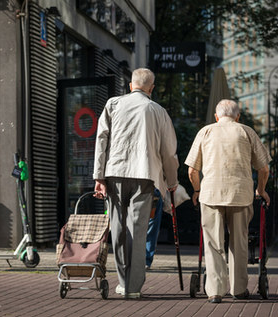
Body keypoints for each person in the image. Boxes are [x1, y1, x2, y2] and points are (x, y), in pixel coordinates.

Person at [93, 68, 179, 299]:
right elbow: (169, 152)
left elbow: (101, 140)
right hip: (145, 175)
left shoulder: (113, 104)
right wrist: (172, 182)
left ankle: (123, 281)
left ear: (131, 85)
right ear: (151, 88)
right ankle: (133, 287)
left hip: (115, 173)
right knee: (138, 231)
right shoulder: (158, 111)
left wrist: (99, 177)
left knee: (118, 229)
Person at [185, 99, 271, 304]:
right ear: (237, 116)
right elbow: (264, 168)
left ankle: (215, 291)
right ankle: (239, 289)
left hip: (211, 193)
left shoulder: (205, 132)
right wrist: (261, 190)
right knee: (239, 242)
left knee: (213, 243)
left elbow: (192, 170)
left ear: (216, 116)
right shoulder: (247, 132)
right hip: (240, 195)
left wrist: (197, 190)